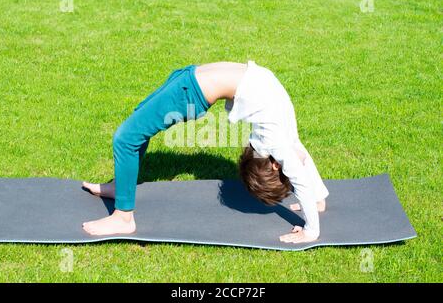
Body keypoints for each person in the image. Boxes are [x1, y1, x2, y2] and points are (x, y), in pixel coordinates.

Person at [82, 61, 329, 244]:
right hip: (189, 78)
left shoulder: (275, 141)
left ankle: (124, 218)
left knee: (126, 138)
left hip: (190, 92)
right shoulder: (282, 138)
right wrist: (317, 199)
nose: (250, 152)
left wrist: (311, 230)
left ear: (276, 164)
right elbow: (300, 158)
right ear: (276, 165)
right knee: (138, 122)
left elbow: (296, 168)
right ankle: (120, 187)